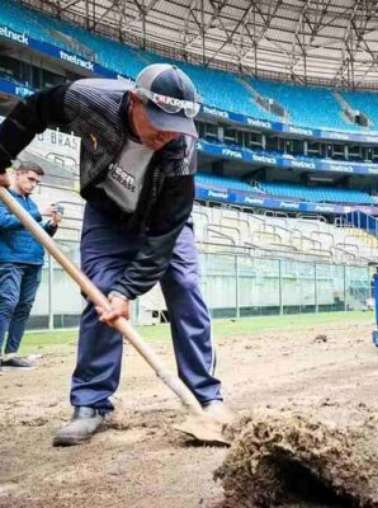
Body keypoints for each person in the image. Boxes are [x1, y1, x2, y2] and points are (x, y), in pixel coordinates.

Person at [0, 63, 232, 446]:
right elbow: (35, 110)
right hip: (107, 215)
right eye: (157, 120)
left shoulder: (181, 148)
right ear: (135, 101)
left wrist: (129, 291)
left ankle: (206, 398)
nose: (164, 133)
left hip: (162, 222)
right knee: (99, 295)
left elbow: (163, 236)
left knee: (185, 288)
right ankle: (91, 404)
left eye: (173, 125)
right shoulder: (90, 99)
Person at [0, 162, 61, 370]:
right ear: (17, 175)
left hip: (34, 261)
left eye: (37, 181)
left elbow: (38, 233)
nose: (34, 184)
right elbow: (4, 222)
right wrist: (38, 214)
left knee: (23, 308)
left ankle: (10, 355)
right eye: (31, 179)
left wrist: (51, 225)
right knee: (7, 304)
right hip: (10, 261)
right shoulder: (3, 196)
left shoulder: (32, 205)